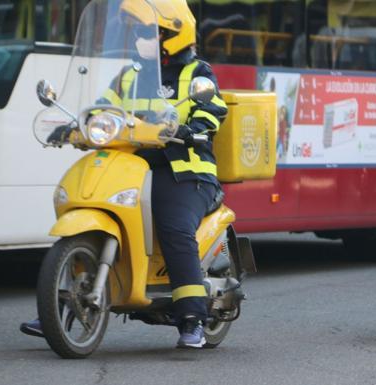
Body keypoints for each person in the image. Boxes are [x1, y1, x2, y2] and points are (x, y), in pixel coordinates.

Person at [20, 0, 228, 349]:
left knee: (174, 227)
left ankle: (192, 316)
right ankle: (60, 310)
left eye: (148, 33)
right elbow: (103, 107)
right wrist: (76, 126)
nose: (139, 40)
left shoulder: (197, 74)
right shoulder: (131, 74)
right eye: (138, 33)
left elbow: (213, 110)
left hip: (183, 171)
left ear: (172, 35)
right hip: (135, 165)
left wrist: (195, 128)